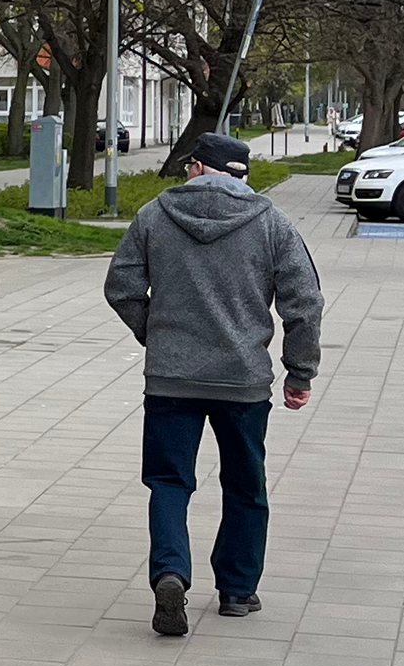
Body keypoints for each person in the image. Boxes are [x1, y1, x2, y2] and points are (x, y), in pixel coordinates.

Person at [103, 131, 324, 635]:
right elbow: (304, 303)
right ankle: (238, 592)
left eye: (188, 167)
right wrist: (299, 371)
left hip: (170, 379)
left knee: (168, 483)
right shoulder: (272, 223)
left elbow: (122, 286)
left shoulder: (155, 216)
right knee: (246, 485)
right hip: (242, 382)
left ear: (201, 168)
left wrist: (154, 334)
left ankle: (171, 573)